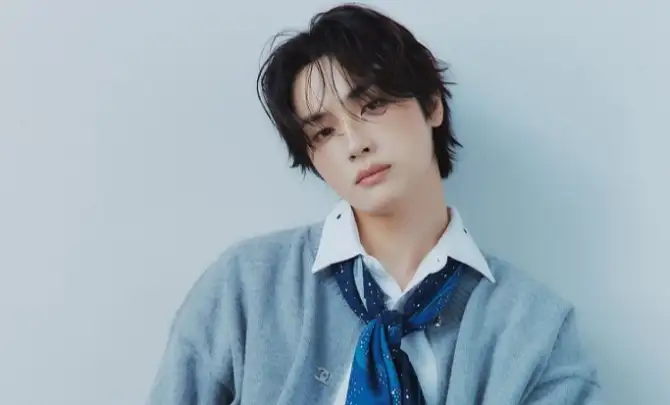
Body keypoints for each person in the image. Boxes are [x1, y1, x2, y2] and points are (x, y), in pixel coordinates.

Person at [146, 3, 603, 405]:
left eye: (372, 105)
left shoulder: (536, 327)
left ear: (431, 104)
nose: (355, 144)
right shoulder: (244, 287)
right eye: (324, 132)